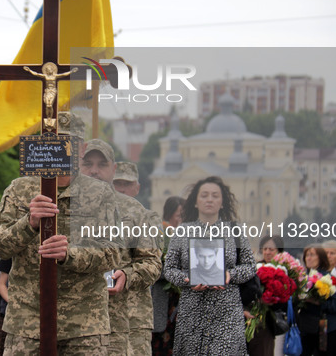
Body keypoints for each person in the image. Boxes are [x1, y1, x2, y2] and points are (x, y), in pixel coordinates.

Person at [0, 112, 122, 355]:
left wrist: (69, 254)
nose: (62, 149)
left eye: (70, 142)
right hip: (27, 321)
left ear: (83, 149)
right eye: (55, 141)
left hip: (84, 324)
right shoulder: (20, 189)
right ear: (42, 145)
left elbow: (113, 253)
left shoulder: (100, 193)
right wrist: (29, 223)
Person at [81, 143, 162, 355]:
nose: (94, 170)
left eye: (102, 164)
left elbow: (152, 262)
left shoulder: (133, 210)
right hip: (76, 321)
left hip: (125, 319)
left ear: (112, 169)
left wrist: (127, 275)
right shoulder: (64, 206)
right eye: (87, 164)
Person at [164, 176, 256, 355]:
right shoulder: (182, 232)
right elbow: (168, 269)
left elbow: (250, 266)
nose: (209, 199)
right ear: (196, 202)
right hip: (192, 311)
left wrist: (230, 275)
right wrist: (187, 279)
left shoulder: (235, 231)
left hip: (227, 312)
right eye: (204, 195)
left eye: (215, 196)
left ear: (222, 202)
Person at [151, 196, 184, 356]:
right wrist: (174, 271)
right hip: (164, 300)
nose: (182, 219)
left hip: (181, 302)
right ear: (170, 214)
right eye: (179, 215)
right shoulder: (160, 233)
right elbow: (152, 267)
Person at [298, 244, 336, 356]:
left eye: (312, 255)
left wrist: (318, 302)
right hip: (306, 328)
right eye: (307, 255)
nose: (309, 258)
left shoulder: (329, 279)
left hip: (326, 328)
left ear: (320, 258)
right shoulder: (301, 278)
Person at [247, 235, 286, 356]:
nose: (267, 252)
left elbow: (284, 300)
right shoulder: (255, 268)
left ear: (279, 251)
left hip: (268, 322)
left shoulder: (283, 271)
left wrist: (271, 300)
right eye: (265, 249)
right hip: (250, 318)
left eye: (271, 249)